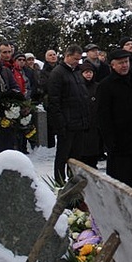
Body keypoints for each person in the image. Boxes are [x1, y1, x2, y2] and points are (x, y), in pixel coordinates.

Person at [97, 49, 132, 195]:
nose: (124, 65)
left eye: (126, 62)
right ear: (112, 65)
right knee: (122, 184)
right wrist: (110, 142)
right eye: (121, 63)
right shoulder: (106, 86)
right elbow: (103, 117)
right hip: (120, 145)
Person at [47, 44, 89, 182]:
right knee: (63, 156)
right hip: (66, 122)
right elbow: (54, 101)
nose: (78, 62)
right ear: (68, 56)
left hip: (79, 121)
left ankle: (73, 181)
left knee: (76, 157)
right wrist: (60, 123)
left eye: (79, 59)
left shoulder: (77, 72)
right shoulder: (58, 73)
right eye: (75, 59)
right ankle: (59, 182)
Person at [77, 61, 104, 169]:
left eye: (90, 72)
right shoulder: (78, 87)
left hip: (95, 124)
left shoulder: (97, 86)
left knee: (93, 151)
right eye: (86, 72)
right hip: (82, 124)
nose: (89, 75)